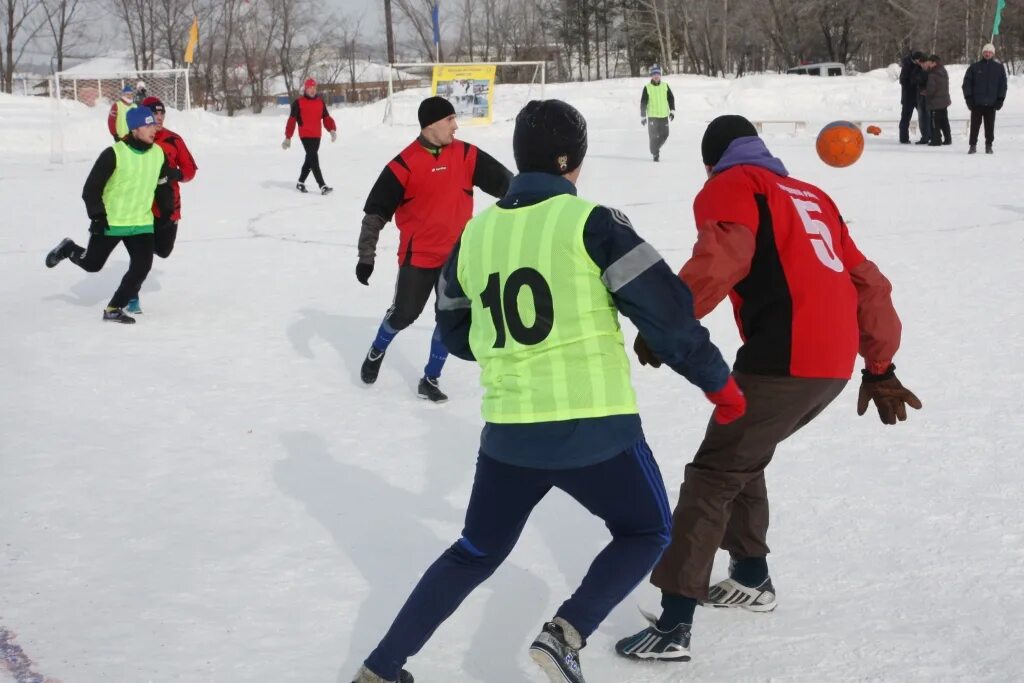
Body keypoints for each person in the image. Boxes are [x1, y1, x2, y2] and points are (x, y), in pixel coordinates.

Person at [349, 99, 743, 683]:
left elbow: (454, 332)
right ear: (573, 162)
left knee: (475, 551)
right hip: (594, 424)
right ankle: (566, 633)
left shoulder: (474, 235)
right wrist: (721, 387)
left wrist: (510, 351)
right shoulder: (593, 222)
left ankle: (383, 667)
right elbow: (669, 315)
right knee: (646, 529)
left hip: (509, 431)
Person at [616, 115, 921, 663]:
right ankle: (752, 576)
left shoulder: (731, 185)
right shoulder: (810, 194)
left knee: (713, 476)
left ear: (712, 161)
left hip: (784, 357)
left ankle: (674, 624)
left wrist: (669, 324)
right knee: (742, 453)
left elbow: (724, 257)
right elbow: (868, 280)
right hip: (829, 363)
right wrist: (879, 365)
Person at [356, 96, 512, 402]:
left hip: (456, 260)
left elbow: (508, 183)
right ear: (430, 126)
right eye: (449, 120)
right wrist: (366, 257)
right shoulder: (403, 165)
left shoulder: (467, 154)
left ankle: (430, 378)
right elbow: (374, 215)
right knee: (404, 314)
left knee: (449, 320)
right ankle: (378, 348)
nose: (456, 126)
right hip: (418, 258)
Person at [45, 107, 173, 325]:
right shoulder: (114, 153)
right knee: (92, 265)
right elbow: (91, 189)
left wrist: (166, 213)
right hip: (111, 221)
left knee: (142, 266)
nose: (154, 129)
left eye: (155, 125)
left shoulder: (158, 154)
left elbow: (162, 186)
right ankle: (68, 248)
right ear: (134, 128)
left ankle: (114, 308)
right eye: (148, 125)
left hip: (141, 222)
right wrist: (97, 215)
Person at [118, 96, 199, 314]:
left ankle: (141, 257)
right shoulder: (130, 140)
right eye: (155, 113)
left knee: (163, 250)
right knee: (140, 258)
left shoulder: (173, 139)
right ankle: (132, 296)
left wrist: (176, 174)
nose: (159, 117)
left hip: (168, 207)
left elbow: (191, 170)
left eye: (162, 113)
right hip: (140, 208)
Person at [282, 78, 336, 195]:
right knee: (314, 159)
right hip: (305, 135)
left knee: (310, 159)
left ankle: (300, 182)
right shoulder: (298, 103)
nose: (312, 90)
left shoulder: (320, 102)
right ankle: (322, 186)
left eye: (314, 88)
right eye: (310, 88)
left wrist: (331, 129)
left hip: (317, 135)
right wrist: (288, 137)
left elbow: (326, 118)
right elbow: (292, 120)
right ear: (305, 89)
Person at [963, 42, 1008, 154]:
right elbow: (966, 84)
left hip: (991, 104)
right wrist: (968, 99)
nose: (987, 54)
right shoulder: (974, 67)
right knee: (974, 126)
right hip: (977, 103)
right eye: (985, 52)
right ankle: (972, 145)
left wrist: (1000, 99)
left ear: (993, 54)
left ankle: (989, 145)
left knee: (989, 127)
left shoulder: (999, 68)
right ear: (982, 53)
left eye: (990, 52)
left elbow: (1003, 86)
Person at [640, 64, 675, 162]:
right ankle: (656, 154)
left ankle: (654, 149)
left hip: (664, 116)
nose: (656, 76)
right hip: (652, 117)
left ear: (660, 75)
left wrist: (672, 111)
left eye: (658, 74)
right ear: (652, 76)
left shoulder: (665, 86)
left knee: (665, 134)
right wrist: (643, 116)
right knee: (653, 136)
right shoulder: (647, 88)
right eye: (654, 74)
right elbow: (643, 102)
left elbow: (671, 98)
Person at [898, 51, 926, 144]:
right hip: (908, 97)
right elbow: (903, 81)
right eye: (919, 60)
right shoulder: (906, 66)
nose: (920, 62)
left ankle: (926, 136)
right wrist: (913, 84)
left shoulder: (920, 66)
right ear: (915, 60)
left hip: (919, 96)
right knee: (905, 118)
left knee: (923, 117)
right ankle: (904, 138)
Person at [924, 55, 952, 146]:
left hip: (936, 102)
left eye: (929, 62)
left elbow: (931, 89)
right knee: (944, 121)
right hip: (944, 101)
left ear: (934, 63)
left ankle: (936, 141)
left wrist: (926, 93)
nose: (927, 64)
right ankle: (948, 139)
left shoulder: (933, 74)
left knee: (934, 122)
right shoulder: (943, 70)